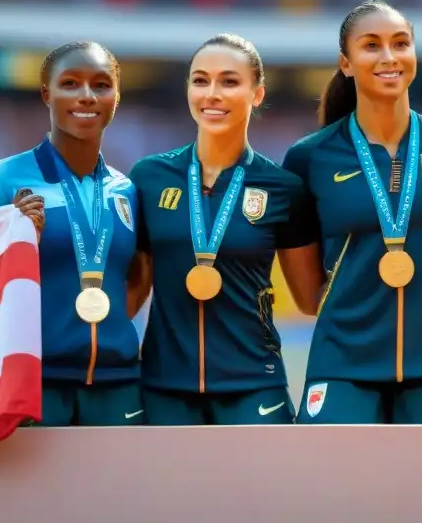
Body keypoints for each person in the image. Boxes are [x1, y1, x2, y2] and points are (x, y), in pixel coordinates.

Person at [283, 0, 422, 425]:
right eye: (371, 45)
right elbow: (305, 294)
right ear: (347, 63)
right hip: (342, 365)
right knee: (334, 489)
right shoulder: (309, 158)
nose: (389, 57)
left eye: (401, 43)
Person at [129, 34, 318, 425]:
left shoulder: (283, 188)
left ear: (257, 93)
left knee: (266, 488)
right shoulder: (148, 178)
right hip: (164, 385)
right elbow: (133, 289)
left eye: (229, 82)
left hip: (255, 385)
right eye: (200, 81)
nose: (212, 93)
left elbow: (310, 298)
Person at [0, 41, 149, 427]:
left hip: (118, 386)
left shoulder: (127, 190)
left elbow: (134, 280)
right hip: (36, 384)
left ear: (116, 97)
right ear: (46, 93)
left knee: (119, 491)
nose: (86, 95)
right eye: (70, 83)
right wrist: (18, 246)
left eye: (101, 85)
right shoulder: (0, 182)